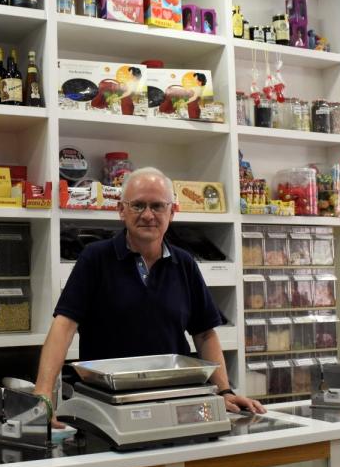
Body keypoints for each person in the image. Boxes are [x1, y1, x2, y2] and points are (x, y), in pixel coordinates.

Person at [34, 167, 266, 415]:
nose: (148, 215)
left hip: (176, 399)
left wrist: (224, 391)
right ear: (121, 210)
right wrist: (43, 394)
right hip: (107, 403)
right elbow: (64, 326)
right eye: (137, 205)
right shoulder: (95, 258)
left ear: (172, 212)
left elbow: (205, 334)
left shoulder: (184, 263)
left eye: (157, 206)